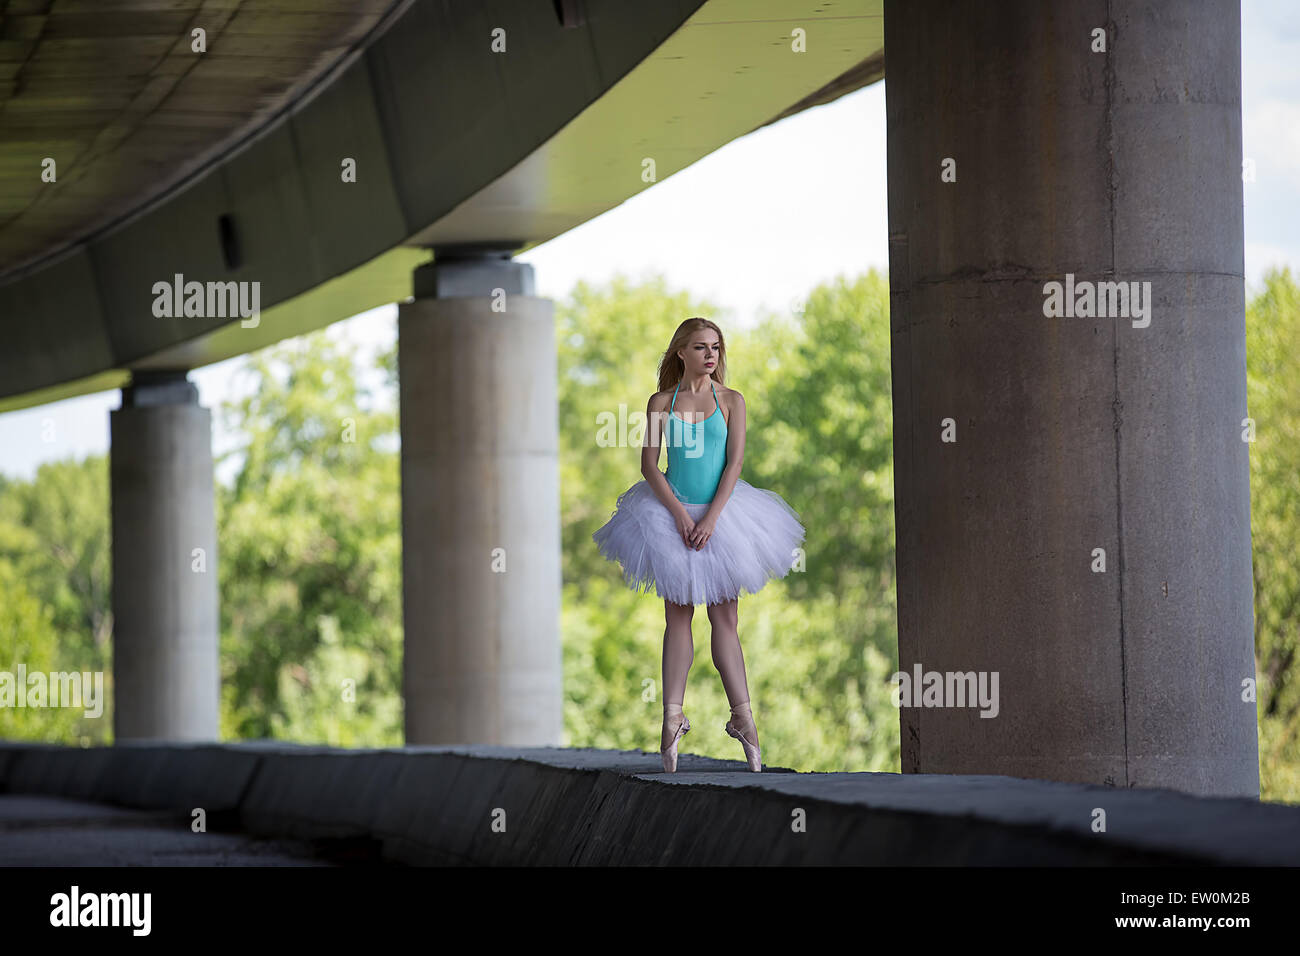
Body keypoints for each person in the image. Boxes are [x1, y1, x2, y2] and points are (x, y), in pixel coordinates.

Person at [592, 316, 805, 773]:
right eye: (700, 347)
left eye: (716, 347)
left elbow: (734, 464)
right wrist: (680, 516)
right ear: (680, 353)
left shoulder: (730, 401)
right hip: (671, 513)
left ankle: (744, 720)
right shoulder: (661, 402)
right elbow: (650, 466)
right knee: (677, 617)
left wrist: (709, 519)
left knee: (724, 619)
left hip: (724, 516)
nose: (710, 354)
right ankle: (672, 719)